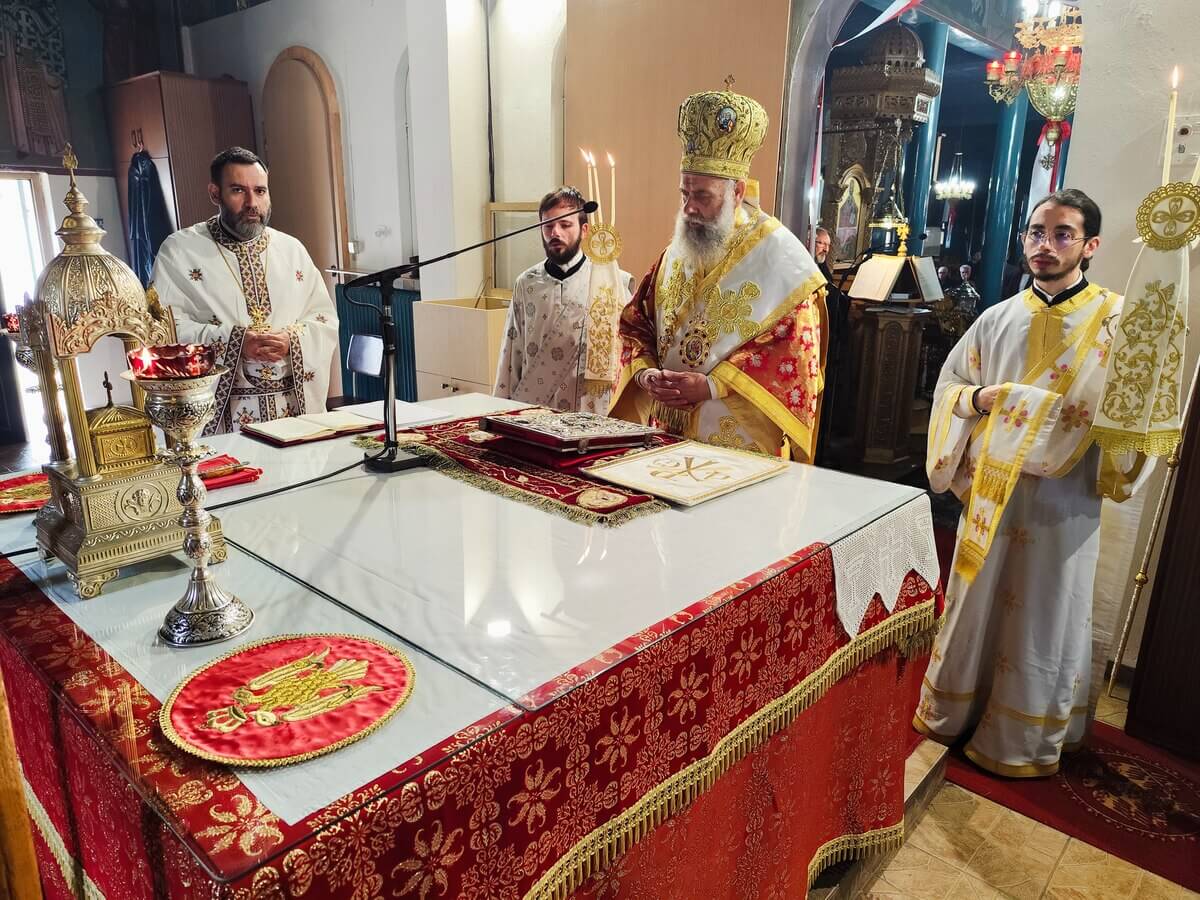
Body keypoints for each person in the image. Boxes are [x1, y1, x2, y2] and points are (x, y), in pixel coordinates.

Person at [917, 189, 1150, 776]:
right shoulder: (997, 318)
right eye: (1036, 233)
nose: (1045, 245)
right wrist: (981, 398)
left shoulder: (1118, 322)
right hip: (993, 493)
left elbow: (1134, 414)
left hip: (1063, 500)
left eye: (1062, 234)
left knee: (1046, 606)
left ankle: (1020, 734)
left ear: (1090, 245)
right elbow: (950, 390)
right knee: (975, 601)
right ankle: (958, 711)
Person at [611, 86, 826, 459]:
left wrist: (712, 386)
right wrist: (646, 374)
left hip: (738, 442)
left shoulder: (782, 258)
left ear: (737, 191)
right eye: (685, 194)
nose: (689, 208)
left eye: (703, 196)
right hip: (664, 435)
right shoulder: (675, 251)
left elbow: (794, 356)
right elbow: (636, 323)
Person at [152, 147, 338, 435]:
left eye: (260, 191)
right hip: (221, 418)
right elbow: (163, 331)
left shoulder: (292, 250)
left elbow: (323, 319)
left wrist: (291, 341)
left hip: (291, 408)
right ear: (215, 194)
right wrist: (235, 342)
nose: (252, 203)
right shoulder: (180, 251)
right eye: (238, 190)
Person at [493, 186, 631, 413]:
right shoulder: (526, 284)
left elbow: (627, 354)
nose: (555, 233)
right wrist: (502, 411)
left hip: (589, 410)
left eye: (565, 225)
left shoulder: (611, 282)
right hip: (536, 411)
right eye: (548, 226)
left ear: (584, 230)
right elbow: (511, 352)